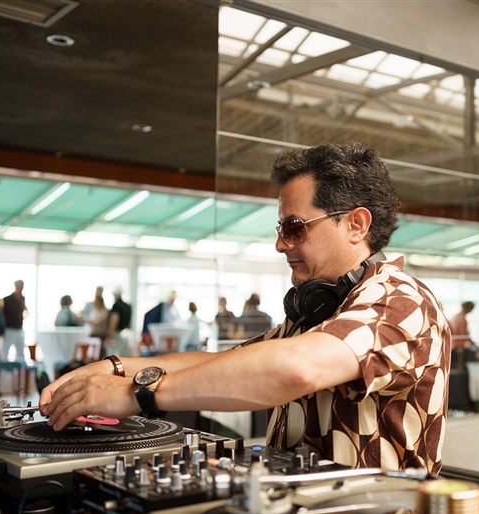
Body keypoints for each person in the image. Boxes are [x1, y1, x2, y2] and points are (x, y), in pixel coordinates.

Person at [41, 142, 451, 473]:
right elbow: (226, 363)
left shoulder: (401, 301)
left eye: (294, 227)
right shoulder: (323, 310)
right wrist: (114, 368)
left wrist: (141, 393)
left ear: (356, 225)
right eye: (281, 229)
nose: (280, 244)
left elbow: (294, 368)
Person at [1, 280, 27, 361]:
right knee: (5, 352)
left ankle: (20, 369)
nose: (21, 288)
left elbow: (24, 310)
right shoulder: (7, 300)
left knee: (20, 352)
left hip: (19, 329)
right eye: (20, 286)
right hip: (9, 329)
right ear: (16, 286)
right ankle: (4, 369)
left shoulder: (22, 298)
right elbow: (2, 315)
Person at [106, 288, 133, 357]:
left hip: (118, 334)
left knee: (115, 355)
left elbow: (114, 320)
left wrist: (110, 335)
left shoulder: (116, 305)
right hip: (127, 333)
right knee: (125, 355)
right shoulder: (128, 306)